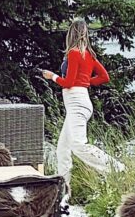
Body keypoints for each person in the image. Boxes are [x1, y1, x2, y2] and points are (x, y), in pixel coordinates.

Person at [40, 19, 119, 178]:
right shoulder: (89, 55)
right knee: (63, 149)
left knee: (78, 145)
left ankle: (116, 167)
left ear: (71, 34)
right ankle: (64, 191)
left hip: (76, 102)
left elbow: (68, 83)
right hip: (81, 100)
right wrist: (85, 82)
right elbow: (104, 77)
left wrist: (52, 76)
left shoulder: (74, 53)